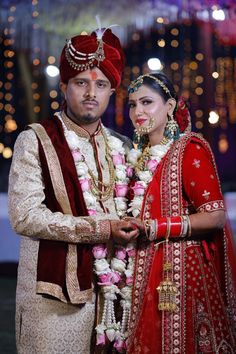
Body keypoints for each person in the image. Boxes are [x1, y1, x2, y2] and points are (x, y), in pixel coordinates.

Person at [8, 28, 139, 354]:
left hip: (112, 294)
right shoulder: (35, 140)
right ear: (64, 87)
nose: (91, 92)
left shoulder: (121, 147)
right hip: (53, 299)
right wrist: (102, 229)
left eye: (101, 84)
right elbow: (24, 216)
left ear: (112, 92)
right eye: (81, 82)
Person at [125, 72, 236, 353]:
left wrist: (156, 227)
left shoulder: (190, 149)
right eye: (132, 104)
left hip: (182, 275)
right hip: (140, 273)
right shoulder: (134, 159)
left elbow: (215, 215)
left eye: (147, 102)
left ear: (170, 107)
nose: (138, 111)